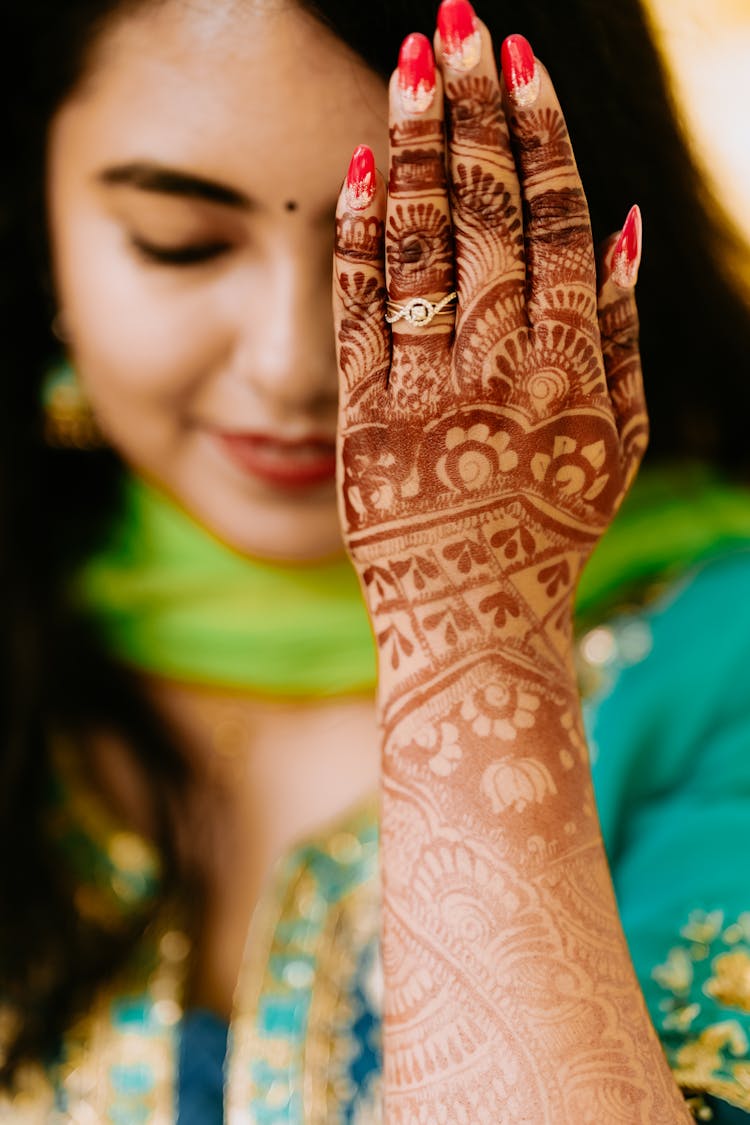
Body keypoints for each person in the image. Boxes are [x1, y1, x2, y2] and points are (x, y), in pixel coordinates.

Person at [1, 0, 750, 1121]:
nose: (294, 364)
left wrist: (478, 642)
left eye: (419, 267)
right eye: (182, 244)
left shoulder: (719, 656)